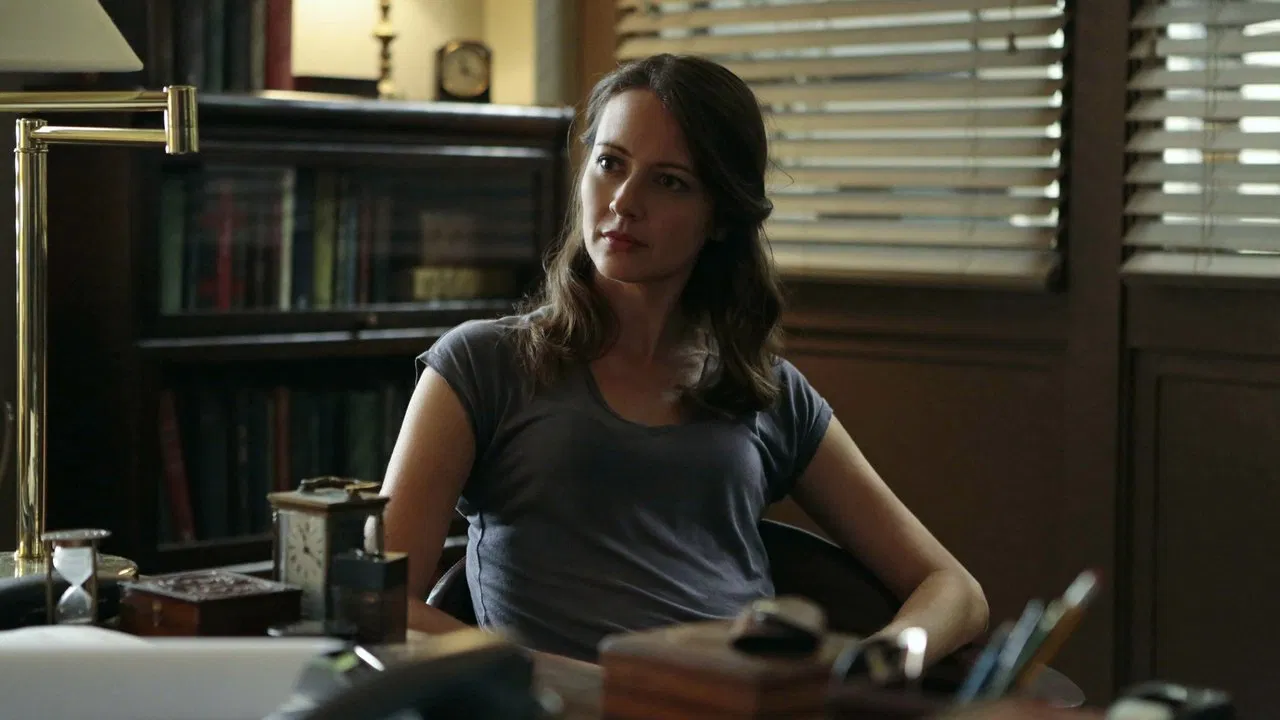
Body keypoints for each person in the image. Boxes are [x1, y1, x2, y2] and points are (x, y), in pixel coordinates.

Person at [379, 53, 989, 665]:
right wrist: (553, 678)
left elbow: (954, 589)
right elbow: (380, 605)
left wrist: (881, 661)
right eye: (610, 163)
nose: (623, 201)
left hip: (743, 698)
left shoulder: (766, 390)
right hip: (559, 702)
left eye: (668, 181)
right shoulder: (483, 363)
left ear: (720, 216)